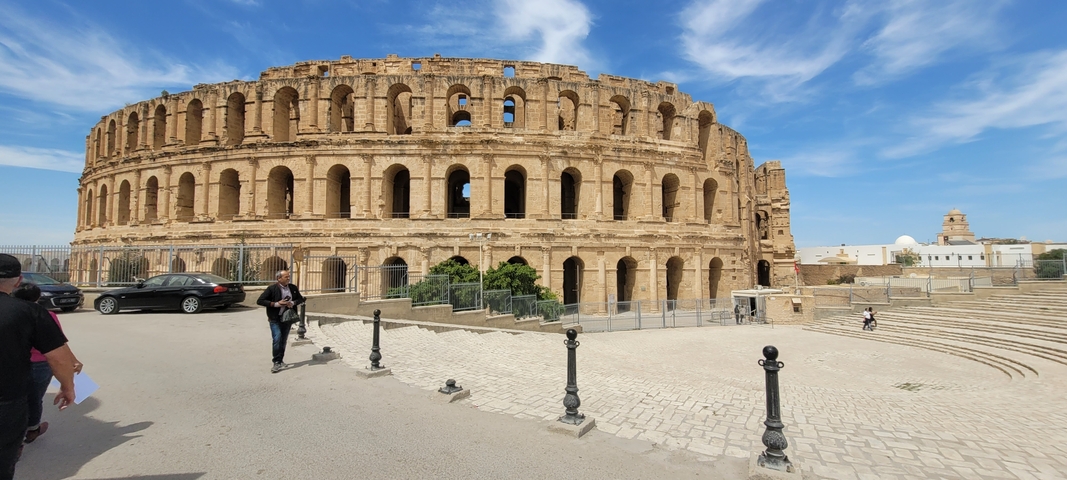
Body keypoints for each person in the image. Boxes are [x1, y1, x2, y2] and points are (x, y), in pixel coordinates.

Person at [0, 254, 76, 480]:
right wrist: (67, 387)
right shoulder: (31, 312)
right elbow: (59, 358)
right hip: (7, 401)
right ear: (17, 280)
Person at [12, 282, 83, 446]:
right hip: (41, 364)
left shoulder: (9, 312)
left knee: (15, 399)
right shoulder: (46, 315)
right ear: (38, 297)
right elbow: (58, 343)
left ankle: (17, 436)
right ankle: (32, 429)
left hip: (14, 363)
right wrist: (72, 361)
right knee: (35, 398)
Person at [256, 270, 305, 373]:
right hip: (275, 318)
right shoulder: (272, 289)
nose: (288, 278)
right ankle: (276, 362)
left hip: (287, 319)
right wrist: (276, 304)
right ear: (279, 278)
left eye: (289, 276)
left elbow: (300, 299)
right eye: (286, 276)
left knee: (283, 340)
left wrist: (292, 302)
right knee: (277, 338)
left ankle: (280, 360)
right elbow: (260, 301)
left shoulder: (293, 288)